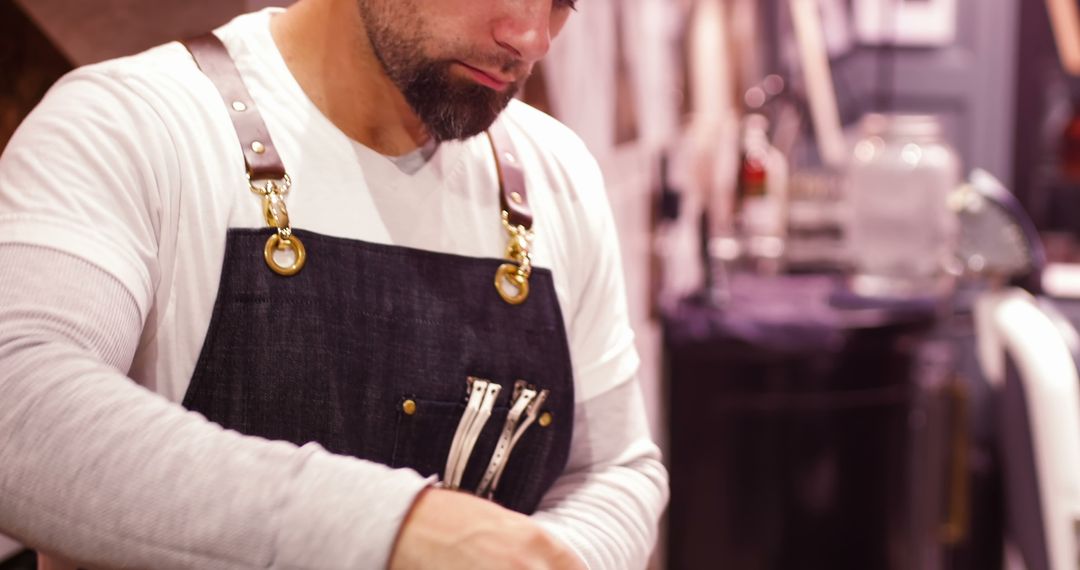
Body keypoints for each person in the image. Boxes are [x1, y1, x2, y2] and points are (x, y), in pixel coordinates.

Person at [0, 0, 668, 568]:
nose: (530, 37)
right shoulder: (135, 124)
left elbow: (613, 469)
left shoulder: (557, 174)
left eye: (563, 0)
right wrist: (396, 533)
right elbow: (19, 402)